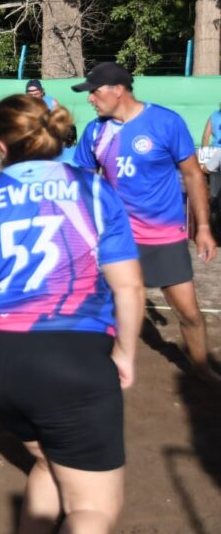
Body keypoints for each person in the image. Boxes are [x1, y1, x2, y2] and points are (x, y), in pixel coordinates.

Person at [0, 94, 144, 534]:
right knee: (93, 511)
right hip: (71, 353)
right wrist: (126, 352)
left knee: (47, 462)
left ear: (0, 146)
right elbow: (130, 286)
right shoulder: (94, 190)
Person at [72, 61, 220, 383]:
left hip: (165, 237)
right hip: (117, 238)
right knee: (104, 310)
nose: (90, 100)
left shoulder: (166, 122)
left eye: (94, 93)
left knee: (189, 314)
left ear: (117, 91)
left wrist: (204, 228)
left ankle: (201, 370)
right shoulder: (95, 132)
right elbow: (83, 180)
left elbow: (194, 175)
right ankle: (105, 369)